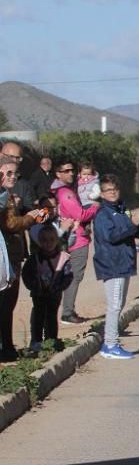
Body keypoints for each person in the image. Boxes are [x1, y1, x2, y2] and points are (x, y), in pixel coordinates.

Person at [91, 175, 139, 359]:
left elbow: (132, 234)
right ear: (102, 193)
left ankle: (110, 343)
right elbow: (111, 237)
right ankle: (110, 344)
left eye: (115, 189)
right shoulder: (103, 214)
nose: (113, 192)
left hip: (124, 262)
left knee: (119, 304)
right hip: (112, 264)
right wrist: (132, 223)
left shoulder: (122, 208)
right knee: (114, 305)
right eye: (108, 190)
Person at [0, 155, 45, 361]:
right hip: (6, 257)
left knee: (8, 305)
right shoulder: (3, 196)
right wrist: (31, 218)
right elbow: (9, 224)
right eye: (7, 173)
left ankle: (8, 346)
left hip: (13, 255)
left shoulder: (7, 195)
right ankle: (6, 348)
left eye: (14, 173)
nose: (12, 177)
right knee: (5, 304)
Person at [51, 158, 99, 325]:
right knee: (74, 276)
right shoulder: (66, 193)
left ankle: (65, 311)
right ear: (58, 173)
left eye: (72, 170)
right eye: (66, 171)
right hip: (77, 239)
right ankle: (67, 312)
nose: (70, 173)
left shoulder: (57, 189)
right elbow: (80, 214)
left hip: (66, 237)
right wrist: (95, 207)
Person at [21, 224, 73, 354]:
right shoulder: (35, 258)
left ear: (57, 240)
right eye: (44, 240)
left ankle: (51, 341)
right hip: (38, 293)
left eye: (51, 240)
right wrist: (33, 286)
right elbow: (26, 274)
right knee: (38, 316)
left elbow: (68, 276)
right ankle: (36, 342)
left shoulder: (63, 258)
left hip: (54, 293)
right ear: (39, 241)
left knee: (51, 317)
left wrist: (59, 287)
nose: (48, 243)